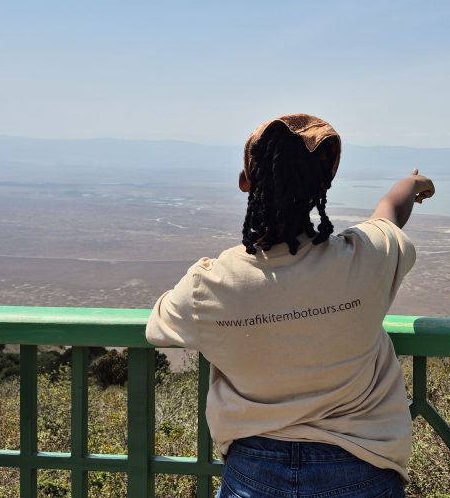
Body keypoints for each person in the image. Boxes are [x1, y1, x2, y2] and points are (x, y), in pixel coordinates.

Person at [146, 113, 435, 498]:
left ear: (245, 182)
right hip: (362, 470)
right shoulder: (365, 258)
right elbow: (390, 214)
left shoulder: (211, 283)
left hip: (252, 475)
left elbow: (159, 325)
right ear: (324, 183)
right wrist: (411, 183)